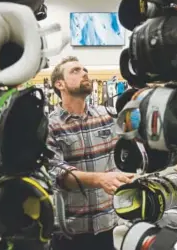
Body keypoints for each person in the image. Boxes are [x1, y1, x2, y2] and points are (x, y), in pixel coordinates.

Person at [47, 56, 134, 250]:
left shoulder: (108, 115)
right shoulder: (49, 126)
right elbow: (56, 173)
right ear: (59, 84)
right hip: (70, 231)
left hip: (107, 226)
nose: (84, 73)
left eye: (84, 69)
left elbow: (133, 142)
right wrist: (99, 179)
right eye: (75, 71)